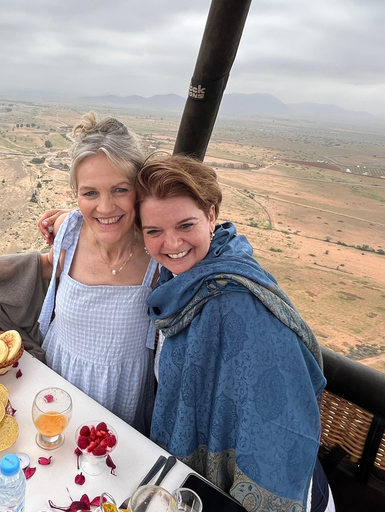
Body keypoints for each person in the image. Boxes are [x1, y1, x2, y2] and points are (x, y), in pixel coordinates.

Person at [135, 154, 332, 511]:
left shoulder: (237, 303)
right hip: (202, 484)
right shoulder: (184, 279)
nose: (171, 242)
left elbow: (281, 429)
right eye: (154, 231)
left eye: (185, 225)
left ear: (212, 216)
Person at [35, 112, 157, 433]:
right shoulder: (68, 232)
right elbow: (53, 247)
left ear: (140, 189)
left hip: (123, 405)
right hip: (57, 389)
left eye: (120, 190)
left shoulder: (158, 254)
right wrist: (56, 221)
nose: (105, 208)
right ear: (76, 196)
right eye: (90, 193)